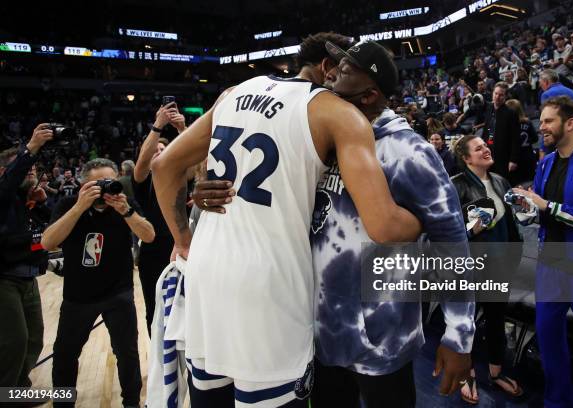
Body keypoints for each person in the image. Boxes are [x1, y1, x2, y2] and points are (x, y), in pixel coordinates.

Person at [191, 39, 475, 407]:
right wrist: (210, 194)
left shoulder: (409, 151)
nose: (330, 77)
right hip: (319, 335)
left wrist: (459, 335)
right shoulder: (320, 139)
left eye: (342, 73)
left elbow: (451, 240)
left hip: (381, 339)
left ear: (370, 95)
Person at [514, 96, 573, 408]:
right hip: (550, 263)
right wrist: (525, 208)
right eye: (540, 120)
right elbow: (541, 213)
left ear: (570, 123)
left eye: (548, 121)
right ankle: (558, 402)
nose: (540, 126)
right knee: (548, 339)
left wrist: (548, 207)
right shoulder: (544, 163)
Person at [42, 158, 155, 408]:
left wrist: (126, 211)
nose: (104, 190)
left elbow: (148, 235)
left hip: (119, 291)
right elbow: (48, 242)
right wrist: (80, 207)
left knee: (127, 354)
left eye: (109, 183)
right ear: (83, 185)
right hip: (78, 295)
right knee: (64, 355)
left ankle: (132, 403)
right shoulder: (68, 204)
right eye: (96, 185)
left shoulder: (124, 204)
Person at [451, 134, 524, 404]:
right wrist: (473, 229)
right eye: (478, 148)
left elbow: (512, 226)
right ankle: (466, 375)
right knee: (466, 323)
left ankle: (495, 373)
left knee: (496, 321)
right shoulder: (455, 186)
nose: (485, 150)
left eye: (486, 145)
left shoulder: (501, 181)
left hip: (499, 267)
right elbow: (447, 232)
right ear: (466, 158)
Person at [0, 124, 52, 392]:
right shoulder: (3, 196)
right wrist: (30, 148)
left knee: (34, 338)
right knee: (14, 340)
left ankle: (18, 389)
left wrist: (41, 205)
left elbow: (49, 234)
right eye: (25, 168)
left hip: (29, 276)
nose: (31, 170)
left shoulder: (29, 199)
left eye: (33, 168)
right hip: (4, 279)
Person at [132, 103, 185, 334]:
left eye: (164, 149)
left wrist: (183, 129)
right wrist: (158, 127)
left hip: (185, 249)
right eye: (155, 150)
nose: (160, 152)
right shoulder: (144, 181)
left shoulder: (183, 175)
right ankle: (159, 365)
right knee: (155, 310)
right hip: (153, 252)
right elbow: (142, 165)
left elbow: (199, 159)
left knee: (189, 309)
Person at [482, 82, 521, 183]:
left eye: (501, 95)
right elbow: (488, 130)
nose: (497, 97)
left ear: (505, 96)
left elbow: (515, 138)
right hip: (490, 151)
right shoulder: (489, 109)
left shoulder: (511, 113)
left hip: (504, 155)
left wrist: (514, 160)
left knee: (503, 183)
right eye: (496, 93)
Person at [505, 99, 538, 184]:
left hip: (515, 160)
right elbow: (535, 138)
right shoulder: (527, 122)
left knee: (517, 184)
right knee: (531, 182)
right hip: (529, 157)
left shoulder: (507, 126)